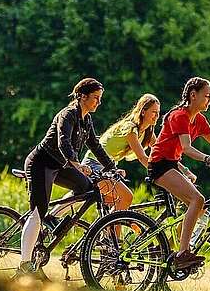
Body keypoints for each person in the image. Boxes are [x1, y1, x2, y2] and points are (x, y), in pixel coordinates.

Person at [19, 78, 118, 279]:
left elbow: (96, 146)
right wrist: (77, 164)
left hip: (61, 165)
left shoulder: (87, 120)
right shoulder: (68, 114)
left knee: (87, 188)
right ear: (82, 96)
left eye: (100, 99)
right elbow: (63, 142)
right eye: (96, 98)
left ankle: (52, 216)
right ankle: (24, 264)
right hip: (41, 163)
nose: (99, 103)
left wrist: (112, 168)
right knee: (37, 212)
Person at [148, 77, 210, 271]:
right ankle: (182, 253)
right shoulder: (179, 115)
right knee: (197, 199)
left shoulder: (199, 120)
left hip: (172, 165)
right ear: (193, 95)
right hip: (160, 164)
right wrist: (209, 160)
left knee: (200, 207)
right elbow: (186, 148)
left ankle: (169, 248)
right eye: (207, 96)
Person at [82, 93, 161, 211]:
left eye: (158, 112)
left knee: (118, 205)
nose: (157, 116)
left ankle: (107, 228)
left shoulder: (147, 131)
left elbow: (162, 151)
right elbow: (142, 158)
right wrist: (161, 175)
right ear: (143, 112)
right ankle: (52, 216)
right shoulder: (131, 128)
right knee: (125, 197)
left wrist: (182, 171)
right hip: (94, 163)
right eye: (154, 112)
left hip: (106, 166)